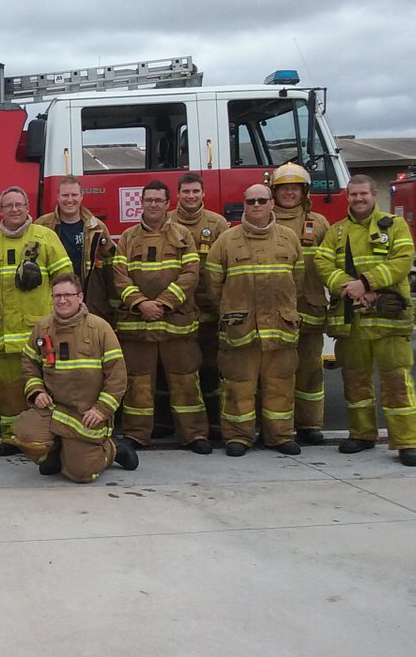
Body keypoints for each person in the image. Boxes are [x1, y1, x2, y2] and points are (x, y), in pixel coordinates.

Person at [314, 174, 416, 466]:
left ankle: (407, 443)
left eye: (363, 194)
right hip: (352, 322)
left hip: (389, 319)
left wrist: (367, 283)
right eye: (353, 194)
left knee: (397, 381)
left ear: (375, 195)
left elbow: (402, 260)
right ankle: (362, 435)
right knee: (356, 383)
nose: (358, 199)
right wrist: (348, 286)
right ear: (347, 197)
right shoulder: (336, 232)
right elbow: (322, 263)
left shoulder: (395, 225)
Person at [0, 185, 72, 455]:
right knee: (8, 389)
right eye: (8, 205)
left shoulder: (46, 238)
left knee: (47, 384)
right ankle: (11, 438)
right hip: (1, 332)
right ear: (0, 210)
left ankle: (47, 435)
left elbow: (65, 282)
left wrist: (64, 320)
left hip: (40, 332)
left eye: (19, 204)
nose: (14, 209)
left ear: (28, 207)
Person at [111, 180, 210, 454]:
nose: (153, 204)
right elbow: (119, 278)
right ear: (140, 203)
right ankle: (135, 435)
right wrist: (140, 303)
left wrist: (163, 304)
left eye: (158, 200)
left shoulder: (182, 235)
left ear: (168, 204)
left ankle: (194, 435)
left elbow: (191, 274)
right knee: (138, 384)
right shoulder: (128, 238)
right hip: (138, 326)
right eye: (148, 200)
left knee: (185, 381)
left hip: (176, 323)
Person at [205, 184, 304, 456]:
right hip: (241, 330)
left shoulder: (289, 239)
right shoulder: (226, 241)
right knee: (238, 386)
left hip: (279, 330)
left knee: (280, 385)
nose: (256, 205)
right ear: (244, 206)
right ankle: (238, 437)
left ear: (272, 203)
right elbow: (213, 286)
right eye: (251, 201)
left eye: (262, 200)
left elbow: (298, 282)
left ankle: (280, 436)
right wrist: (230, 311)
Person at [12, 273, 138, 482]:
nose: (62, 300)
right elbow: (29, 363)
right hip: (52, 410)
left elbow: (117, 375)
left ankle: (112, 450)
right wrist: (37, 391)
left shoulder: (99, 328)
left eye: (68, 295)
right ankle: (56, 453)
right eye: (57, 296)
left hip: (86, 413)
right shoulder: (42, 328)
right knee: (24, 434)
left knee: (81, 474)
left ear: (80, 297)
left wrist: (102, 409)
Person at [270, 163, 332, 445]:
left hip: (310, 306)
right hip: (274, 310)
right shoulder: (265, 221)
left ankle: (309, 424)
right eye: (284, 189)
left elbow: (332, 263)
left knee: (309, 369)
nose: (289, 194)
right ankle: (276, 425)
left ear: (305, 192)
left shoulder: (318, 223)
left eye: (295, 189)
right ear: (275, 192)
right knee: (277, 371)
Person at [167, 173, 230, 433]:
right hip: (176, 309)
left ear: (203, 193)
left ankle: (214, 423)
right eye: (186, 192)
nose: (191, 196)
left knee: (210, 369)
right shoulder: (166, 221)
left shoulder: (218, 224)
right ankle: (167, 424)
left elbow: (226, 267)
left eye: (195, 191)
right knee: (174, 370)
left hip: (208, 308)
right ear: (178, 194)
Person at [34, 175, 116, 322]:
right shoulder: (42, 225)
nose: (70, 200)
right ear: (58, 197)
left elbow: (110, 267)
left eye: (74, 195)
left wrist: (112, 304)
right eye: (65, 195)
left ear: (81, 196)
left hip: (89, 298)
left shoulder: (96, 227)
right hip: (56, 299)